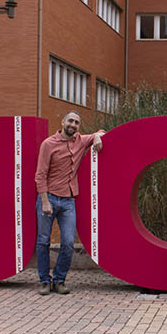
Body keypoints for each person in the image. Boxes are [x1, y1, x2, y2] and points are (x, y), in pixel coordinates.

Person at [34, 111, 104, 295]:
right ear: (63, 121)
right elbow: (40, 174)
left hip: (68, 202)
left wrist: (97, 136)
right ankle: (44, 281)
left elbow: (102, 132)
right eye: (71, 121)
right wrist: (44, 201)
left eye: (77, 122)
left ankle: (59, 280)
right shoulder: (48, 144)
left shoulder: (80, 140)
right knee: (43, 241)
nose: (73, 124)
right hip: (48, 198)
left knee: (67, 242)